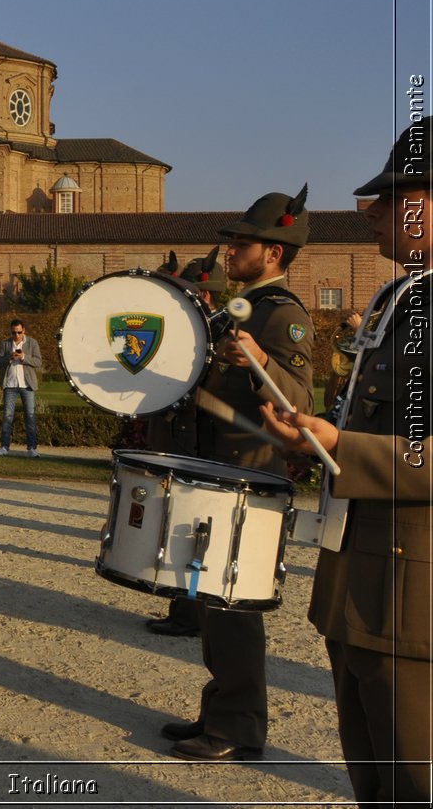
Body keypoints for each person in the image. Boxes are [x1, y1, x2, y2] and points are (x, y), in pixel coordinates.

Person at [261, 125, 430, 805]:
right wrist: (315, 446)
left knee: (415, 779)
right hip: (359, 582)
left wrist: (342, 447)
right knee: (373, 778)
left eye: (395, 197)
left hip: (413, 598)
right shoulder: (402, 298)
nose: (375, 211)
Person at [162, 186, 313, 763]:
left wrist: (260, 360)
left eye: (242, 243)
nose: (231, 251)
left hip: (246, 476)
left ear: (273, 253)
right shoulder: (238, 305)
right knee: (210, 606)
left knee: (233, 608)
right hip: (215, 471)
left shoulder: (284, 316)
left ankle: (239, 727)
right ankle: (220, 707)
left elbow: (298, 396)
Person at [141, 247, 227, 640]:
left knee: (195, 530)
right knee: (180, 525)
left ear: (204, 295)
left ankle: (192, 613)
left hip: (201, 444)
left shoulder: (217, 330)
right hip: (181, 440)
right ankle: (184, 606)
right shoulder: (197, 328)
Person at [0, 318, 42, 456]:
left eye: (19, 332)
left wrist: (24, 357)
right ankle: (4, 447)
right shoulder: (5, 344)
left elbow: (38, 362)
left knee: (30, 416)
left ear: (24, 330)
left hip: (27, 385)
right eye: (13, 332)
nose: (16, 335)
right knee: (8, 416)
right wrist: (9, 357)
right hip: (10, 385)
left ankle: (32, 448)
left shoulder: (32, 343)